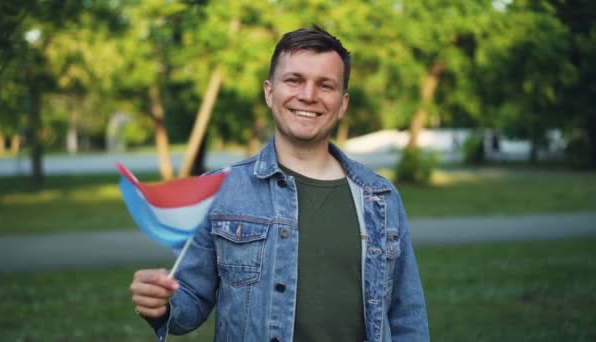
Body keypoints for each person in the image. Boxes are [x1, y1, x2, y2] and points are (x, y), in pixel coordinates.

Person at [130, 25, 430, 342]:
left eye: (325, 85)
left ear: (342, 104)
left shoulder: (380, 197)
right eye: (294, 80)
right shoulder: (221, 191)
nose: (309, 95)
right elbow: (189, 303)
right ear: (270, 92)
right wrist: (162, 303)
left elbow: (406, 315)